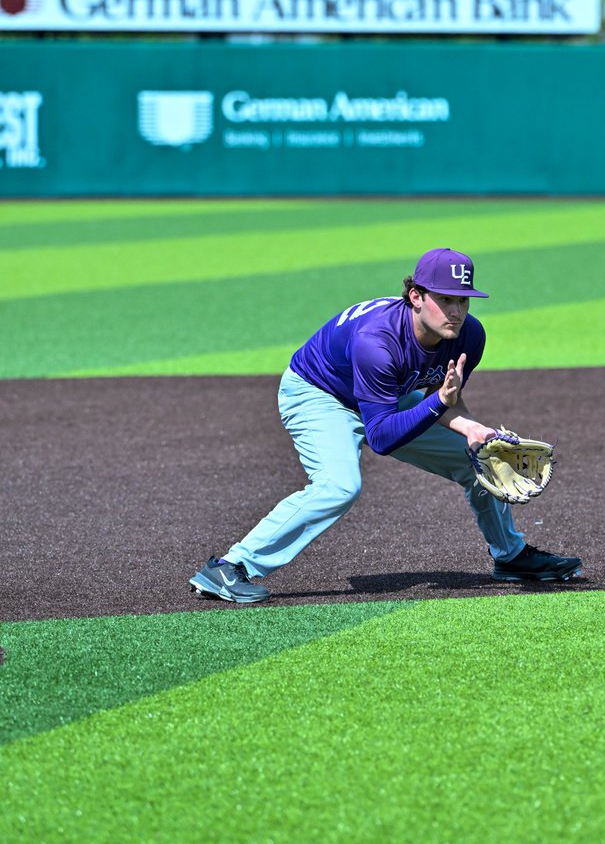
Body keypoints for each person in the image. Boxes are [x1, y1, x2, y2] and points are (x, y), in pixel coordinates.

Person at [189, 247, 582, 604]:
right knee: (339, 487)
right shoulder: (376, 342)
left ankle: (511, 556)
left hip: (385, 395)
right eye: (445, 299)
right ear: (416, 296)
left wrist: (472, 430)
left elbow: (444, 396)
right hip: (320, 394)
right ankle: (230, 566)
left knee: (477, 459)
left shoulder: (469, 335)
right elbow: (381, 436)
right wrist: (440, 404)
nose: (456, 311)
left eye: (463, 300)